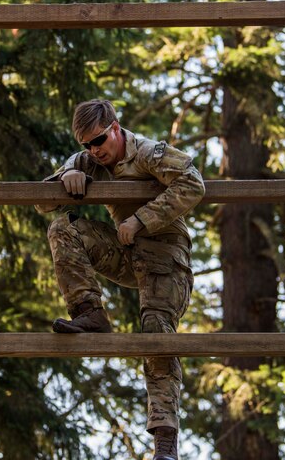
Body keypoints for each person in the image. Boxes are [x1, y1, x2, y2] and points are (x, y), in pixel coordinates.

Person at [37, 99, 205, 460]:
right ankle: (89, 312)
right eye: (85, 145)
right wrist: (67, 175)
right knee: (64, 227)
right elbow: (42, 202)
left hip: (165, 260)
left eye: (98, 141)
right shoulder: (88, 159)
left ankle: (164, 442)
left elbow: (193, 182)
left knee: (156, 332)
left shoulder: (146, 152)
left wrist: (141, 220)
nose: (94, 151)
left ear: (115, 127)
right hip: (127, 255)